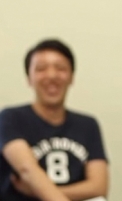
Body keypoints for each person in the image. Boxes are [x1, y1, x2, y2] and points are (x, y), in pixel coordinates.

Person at [0, 39, 109, 200]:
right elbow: (27, 169)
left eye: (61, 68)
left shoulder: (88, 125)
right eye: (41, 69)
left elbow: (99, 186)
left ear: (72, 77)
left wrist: (36, 191)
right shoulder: (10, 118)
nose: (51, 75)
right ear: (29, 78)